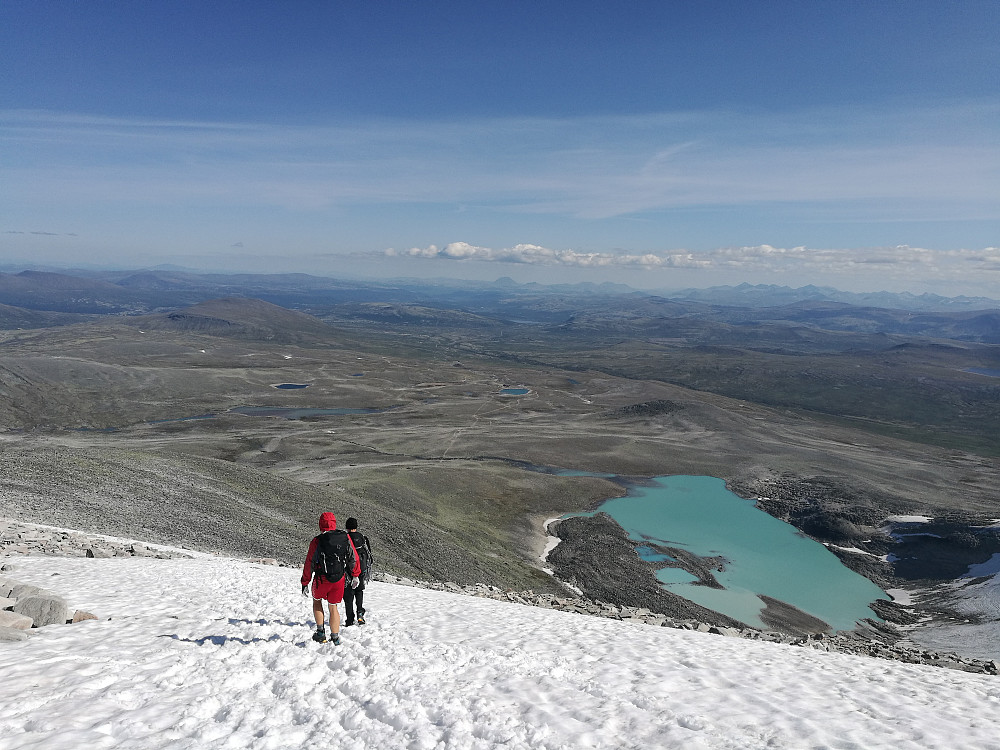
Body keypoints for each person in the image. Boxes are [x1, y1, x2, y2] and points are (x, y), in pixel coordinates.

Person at [301, 512, 360, 644]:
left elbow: (309, 562)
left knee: (317, 602)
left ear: (320, 524)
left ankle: (321, 633)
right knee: (333, 607)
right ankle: (335, 638)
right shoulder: (344, 537)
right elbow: (353, 557)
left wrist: (305, 582)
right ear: (334, 523)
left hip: (321, 579)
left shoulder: (317, 540)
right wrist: (355, 575)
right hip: (339, 579)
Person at [343, 517, 373, 626]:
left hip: (348, 570)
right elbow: (369, 554)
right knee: (359, 591)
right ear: (356, 527)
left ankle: (350, 619)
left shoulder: (344, 538)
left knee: (348, 594)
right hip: (362, 568)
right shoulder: (363, 538)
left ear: (347, 527)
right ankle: (360, 613)